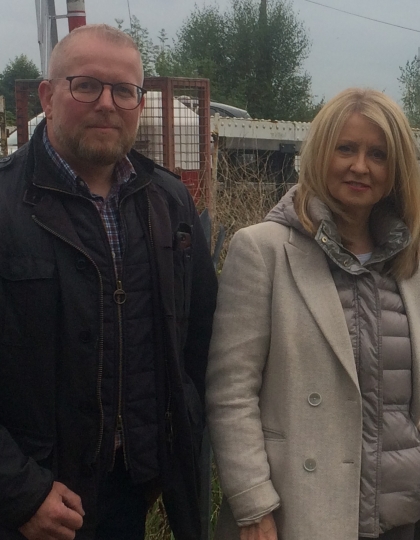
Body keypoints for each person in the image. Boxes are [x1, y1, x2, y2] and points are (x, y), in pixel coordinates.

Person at [0, 24, 217, 540]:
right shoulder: (5, 205)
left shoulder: (169, 203)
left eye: (124, 90)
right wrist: (19, 490)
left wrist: (165, 447)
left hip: (127, 494)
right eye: (86, 86)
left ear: (140, 103)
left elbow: (199, 343)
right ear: (49, 98)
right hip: (26, 504)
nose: (107, 103)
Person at [206, 88, 420, 540]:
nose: (361, 166)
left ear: (394, 169)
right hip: (298, 513)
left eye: (378, 153)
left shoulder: (410, 260)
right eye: (346, 148)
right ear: (319, 154)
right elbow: (232, 392)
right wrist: (253, 503)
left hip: (402, 514)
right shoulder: (262, 251)